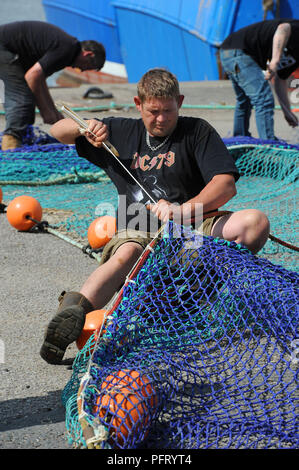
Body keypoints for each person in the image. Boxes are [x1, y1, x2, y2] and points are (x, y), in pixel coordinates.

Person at [40, 68, 270, 364]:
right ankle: (71, 313)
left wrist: (183, 211)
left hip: (193, 225)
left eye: (168, 111)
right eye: (153, 111)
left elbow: (225, 184)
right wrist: (85, 128)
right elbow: (57, 131)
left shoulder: (197, 131)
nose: (160, 119)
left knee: (254, 223)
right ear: (138, 104)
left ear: (180, 102)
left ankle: (190, 298)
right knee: (125, 255)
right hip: (138, 228)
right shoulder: (119, 131)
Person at [0, 21, 106, 150]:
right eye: (87, 66)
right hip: (4, 47)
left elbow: (39, 80)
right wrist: (46, 112)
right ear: (88, 54)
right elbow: (32, 76)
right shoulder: (67, 48)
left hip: (9, 48)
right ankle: (10, 147)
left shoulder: (67, 49)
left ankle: (19, 141)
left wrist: (54, 114)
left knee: (27, 100)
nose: (82, 70)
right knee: (22, 99)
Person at [220, 19, 299, 140]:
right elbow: (283, 28)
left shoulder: (295, 58)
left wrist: (287, 112)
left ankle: (240, 139)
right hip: (238, 52)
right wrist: (275, 59)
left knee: (244, 100)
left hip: (228, 53)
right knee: (264, 99)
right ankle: (268, 144)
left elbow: (279, 80)